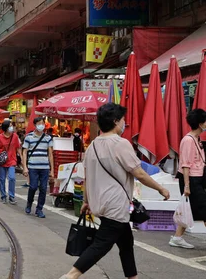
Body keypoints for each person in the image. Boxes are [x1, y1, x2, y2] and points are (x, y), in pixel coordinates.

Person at [60, 103, 170, 279]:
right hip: (116, 205)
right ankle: (71, 275)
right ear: (116, 121)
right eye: (123, 120)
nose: (124, 124)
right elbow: (139, 173)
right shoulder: (121, 144)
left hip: (101, 203)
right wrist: (161, 188)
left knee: (126, 242)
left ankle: (132, 276)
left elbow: (87, 177)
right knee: (101, 244)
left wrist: (87, 202)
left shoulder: (93, 145)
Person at [170, 108, 206, 249]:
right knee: (204, 209)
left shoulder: (197, 139)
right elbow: (185, 164)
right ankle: (177, 238)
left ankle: (177, 238)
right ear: (199, 124)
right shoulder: (188, 140)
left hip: (198, 178)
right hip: (191, 180)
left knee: (189, 208)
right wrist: (187, 186)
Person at [22, 117, 54, 218]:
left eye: (43, 123)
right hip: (33, 166)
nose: (41, 125)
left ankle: (39, 209)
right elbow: (24, 152)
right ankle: (29, 203)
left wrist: (52, 169)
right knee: (33, 187)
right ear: (35, 125)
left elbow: (50, 154)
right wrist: (25, 167)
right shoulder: (29, 137)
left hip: (44, 167)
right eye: (39, 123)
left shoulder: (48, 138)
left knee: (43, 189)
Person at [0, 119, 21, 204]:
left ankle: (11, 196)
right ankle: (3, 196)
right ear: (6, 128)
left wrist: (22, 159)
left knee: (12, 178)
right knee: (2, 179)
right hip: (2, 161)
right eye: (10, 126)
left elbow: (18, 148)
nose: (12, 127)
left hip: (12, 160)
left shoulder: (15, 136)